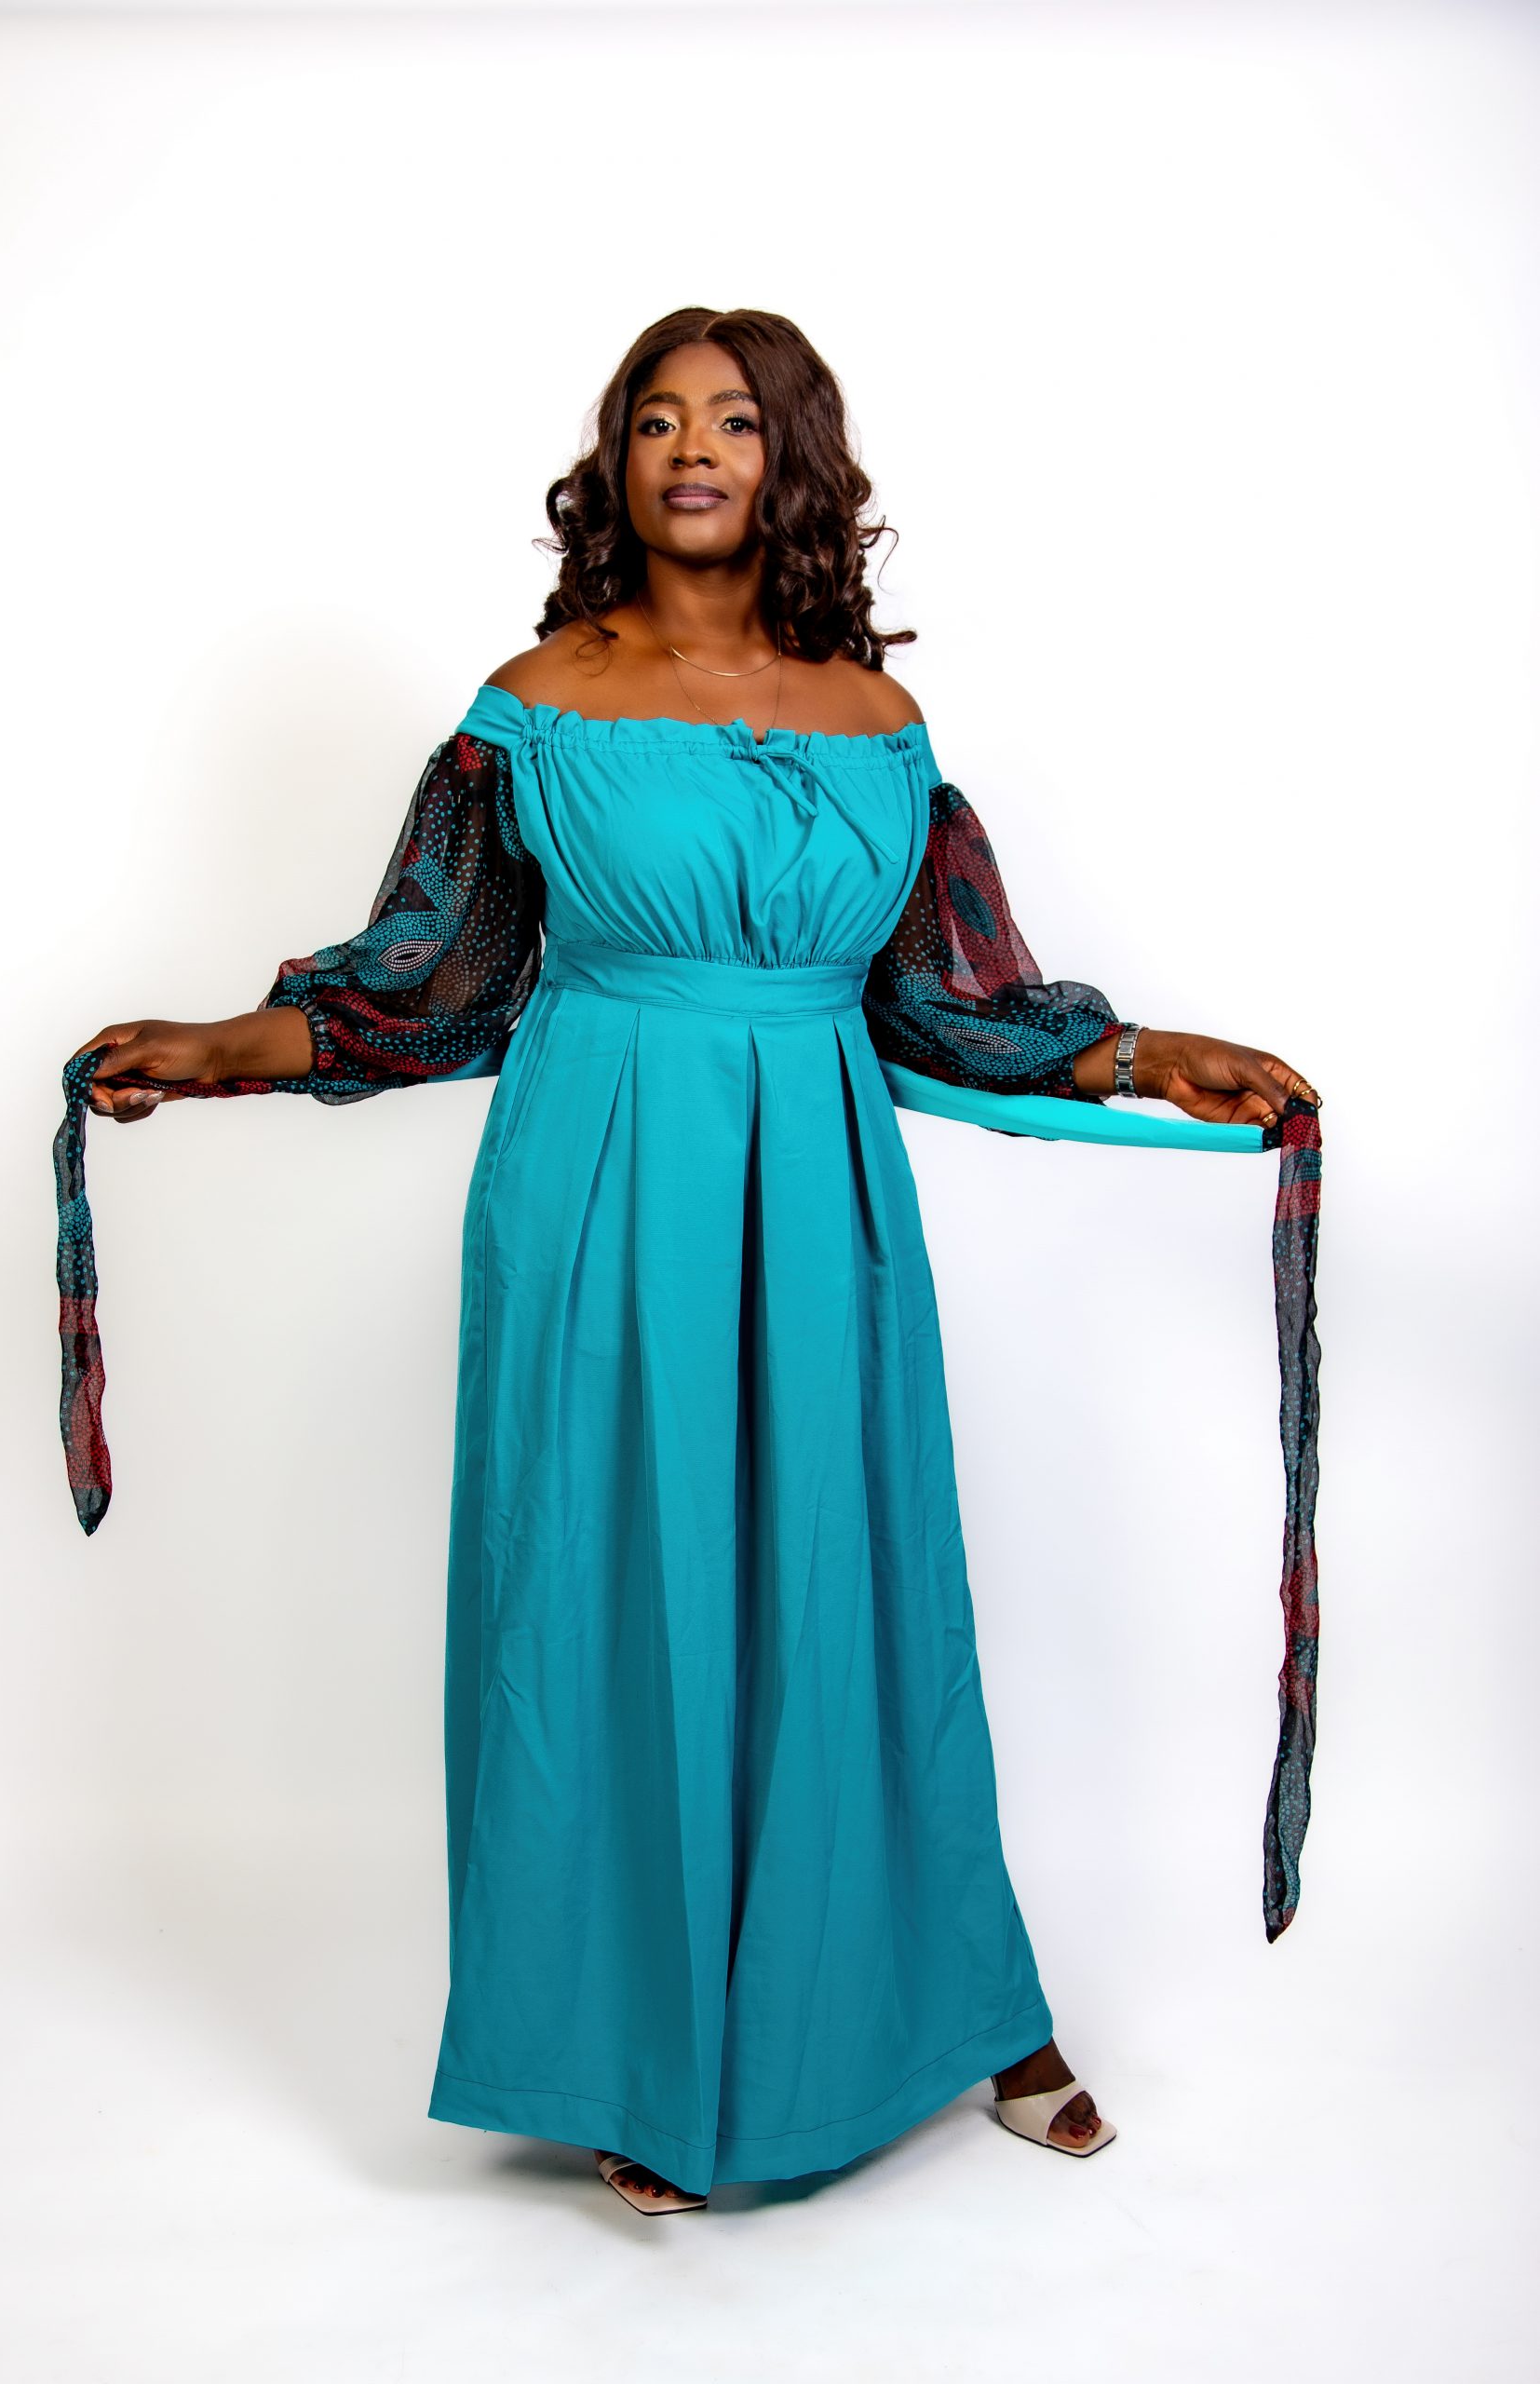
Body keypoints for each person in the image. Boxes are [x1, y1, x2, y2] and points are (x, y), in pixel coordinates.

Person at [72, 307, 1318, 2215]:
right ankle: (636, 2058)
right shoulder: (536, 702)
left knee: (857, 1589)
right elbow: (429, 976)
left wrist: (1152, 1057)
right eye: (653, 420)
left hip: (818, 1183)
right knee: (607, 1594)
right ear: (616, 464)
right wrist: (220, 1044)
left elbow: (947, 1001)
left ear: (789, 459)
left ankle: (966, 2006)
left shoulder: (877, 723)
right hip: (599, 1179)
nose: (690, 449)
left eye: (731, 420)